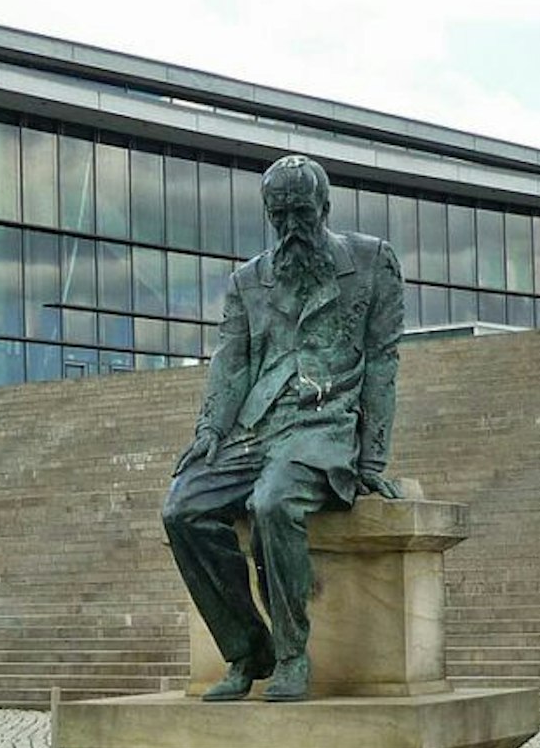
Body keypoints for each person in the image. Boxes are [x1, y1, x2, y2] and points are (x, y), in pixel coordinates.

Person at [161, 155, 405, 702]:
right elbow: (231, 360)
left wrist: (372, 460)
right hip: (256, 428)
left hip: (324, 426)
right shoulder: (248, 280)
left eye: (301, 213)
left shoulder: (372, 262)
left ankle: (294, 653)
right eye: (280, 216)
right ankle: (250, 649)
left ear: (325, 207)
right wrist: (210, 431)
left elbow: (383, 359)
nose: (291, 227)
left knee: (272, 503)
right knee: (182, 508)